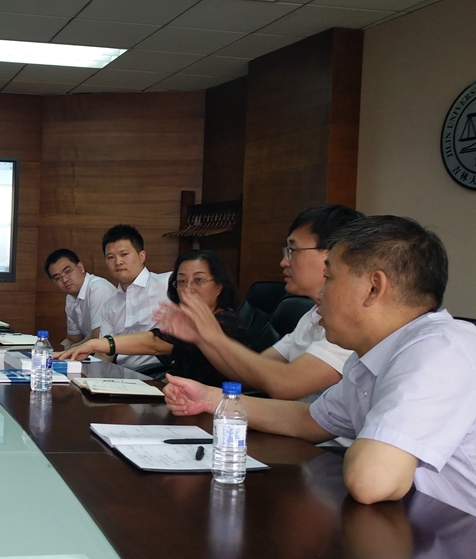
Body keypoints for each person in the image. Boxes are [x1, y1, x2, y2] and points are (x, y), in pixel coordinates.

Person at [164, 216, 476, 516]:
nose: (320, 295)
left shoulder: (442, 349)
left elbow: (371, 481)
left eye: (329, 278)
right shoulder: (367, 358)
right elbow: (309, 420)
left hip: (456, 538)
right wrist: (210, 399)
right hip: (407, 527)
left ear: (373, 288)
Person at [157, 204, 363, 401]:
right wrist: (202, 339)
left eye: (293, 251)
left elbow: (286, 383)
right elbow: (252, 373)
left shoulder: (352, 324)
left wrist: (215, 336)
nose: (284, 262)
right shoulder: (311, 316)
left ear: (331, 255)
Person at [59, 250, 247, 386]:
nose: (188, 288)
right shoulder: (188, 322)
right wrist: (94, 344)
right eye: (182, 281)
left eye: (199, 280)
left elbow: (154, 344)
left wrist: (96, 344)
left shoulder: (227, 323)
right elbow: (155, 339)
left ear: (219, 286)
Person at [97, 224, 172, 373]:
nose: (118, 262)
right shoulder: (109, 305)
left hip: (162, 373)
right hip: (123, 374)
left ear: (142, 256)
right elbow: (104, 354)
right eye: (110, 257)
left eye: (124, 254)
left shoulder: (168, 284)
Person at [44, 248, 116, 348]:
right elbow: (73, 339)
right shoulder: (70, 298)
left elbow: (99, 338)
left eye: (68, 271)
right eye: (57, 278)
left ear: (81, 267)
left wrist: (70, 350)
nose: (64, 280)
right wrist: (54, 352)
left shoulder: (98, 289)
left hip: (116, 353)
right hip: (94, 351)